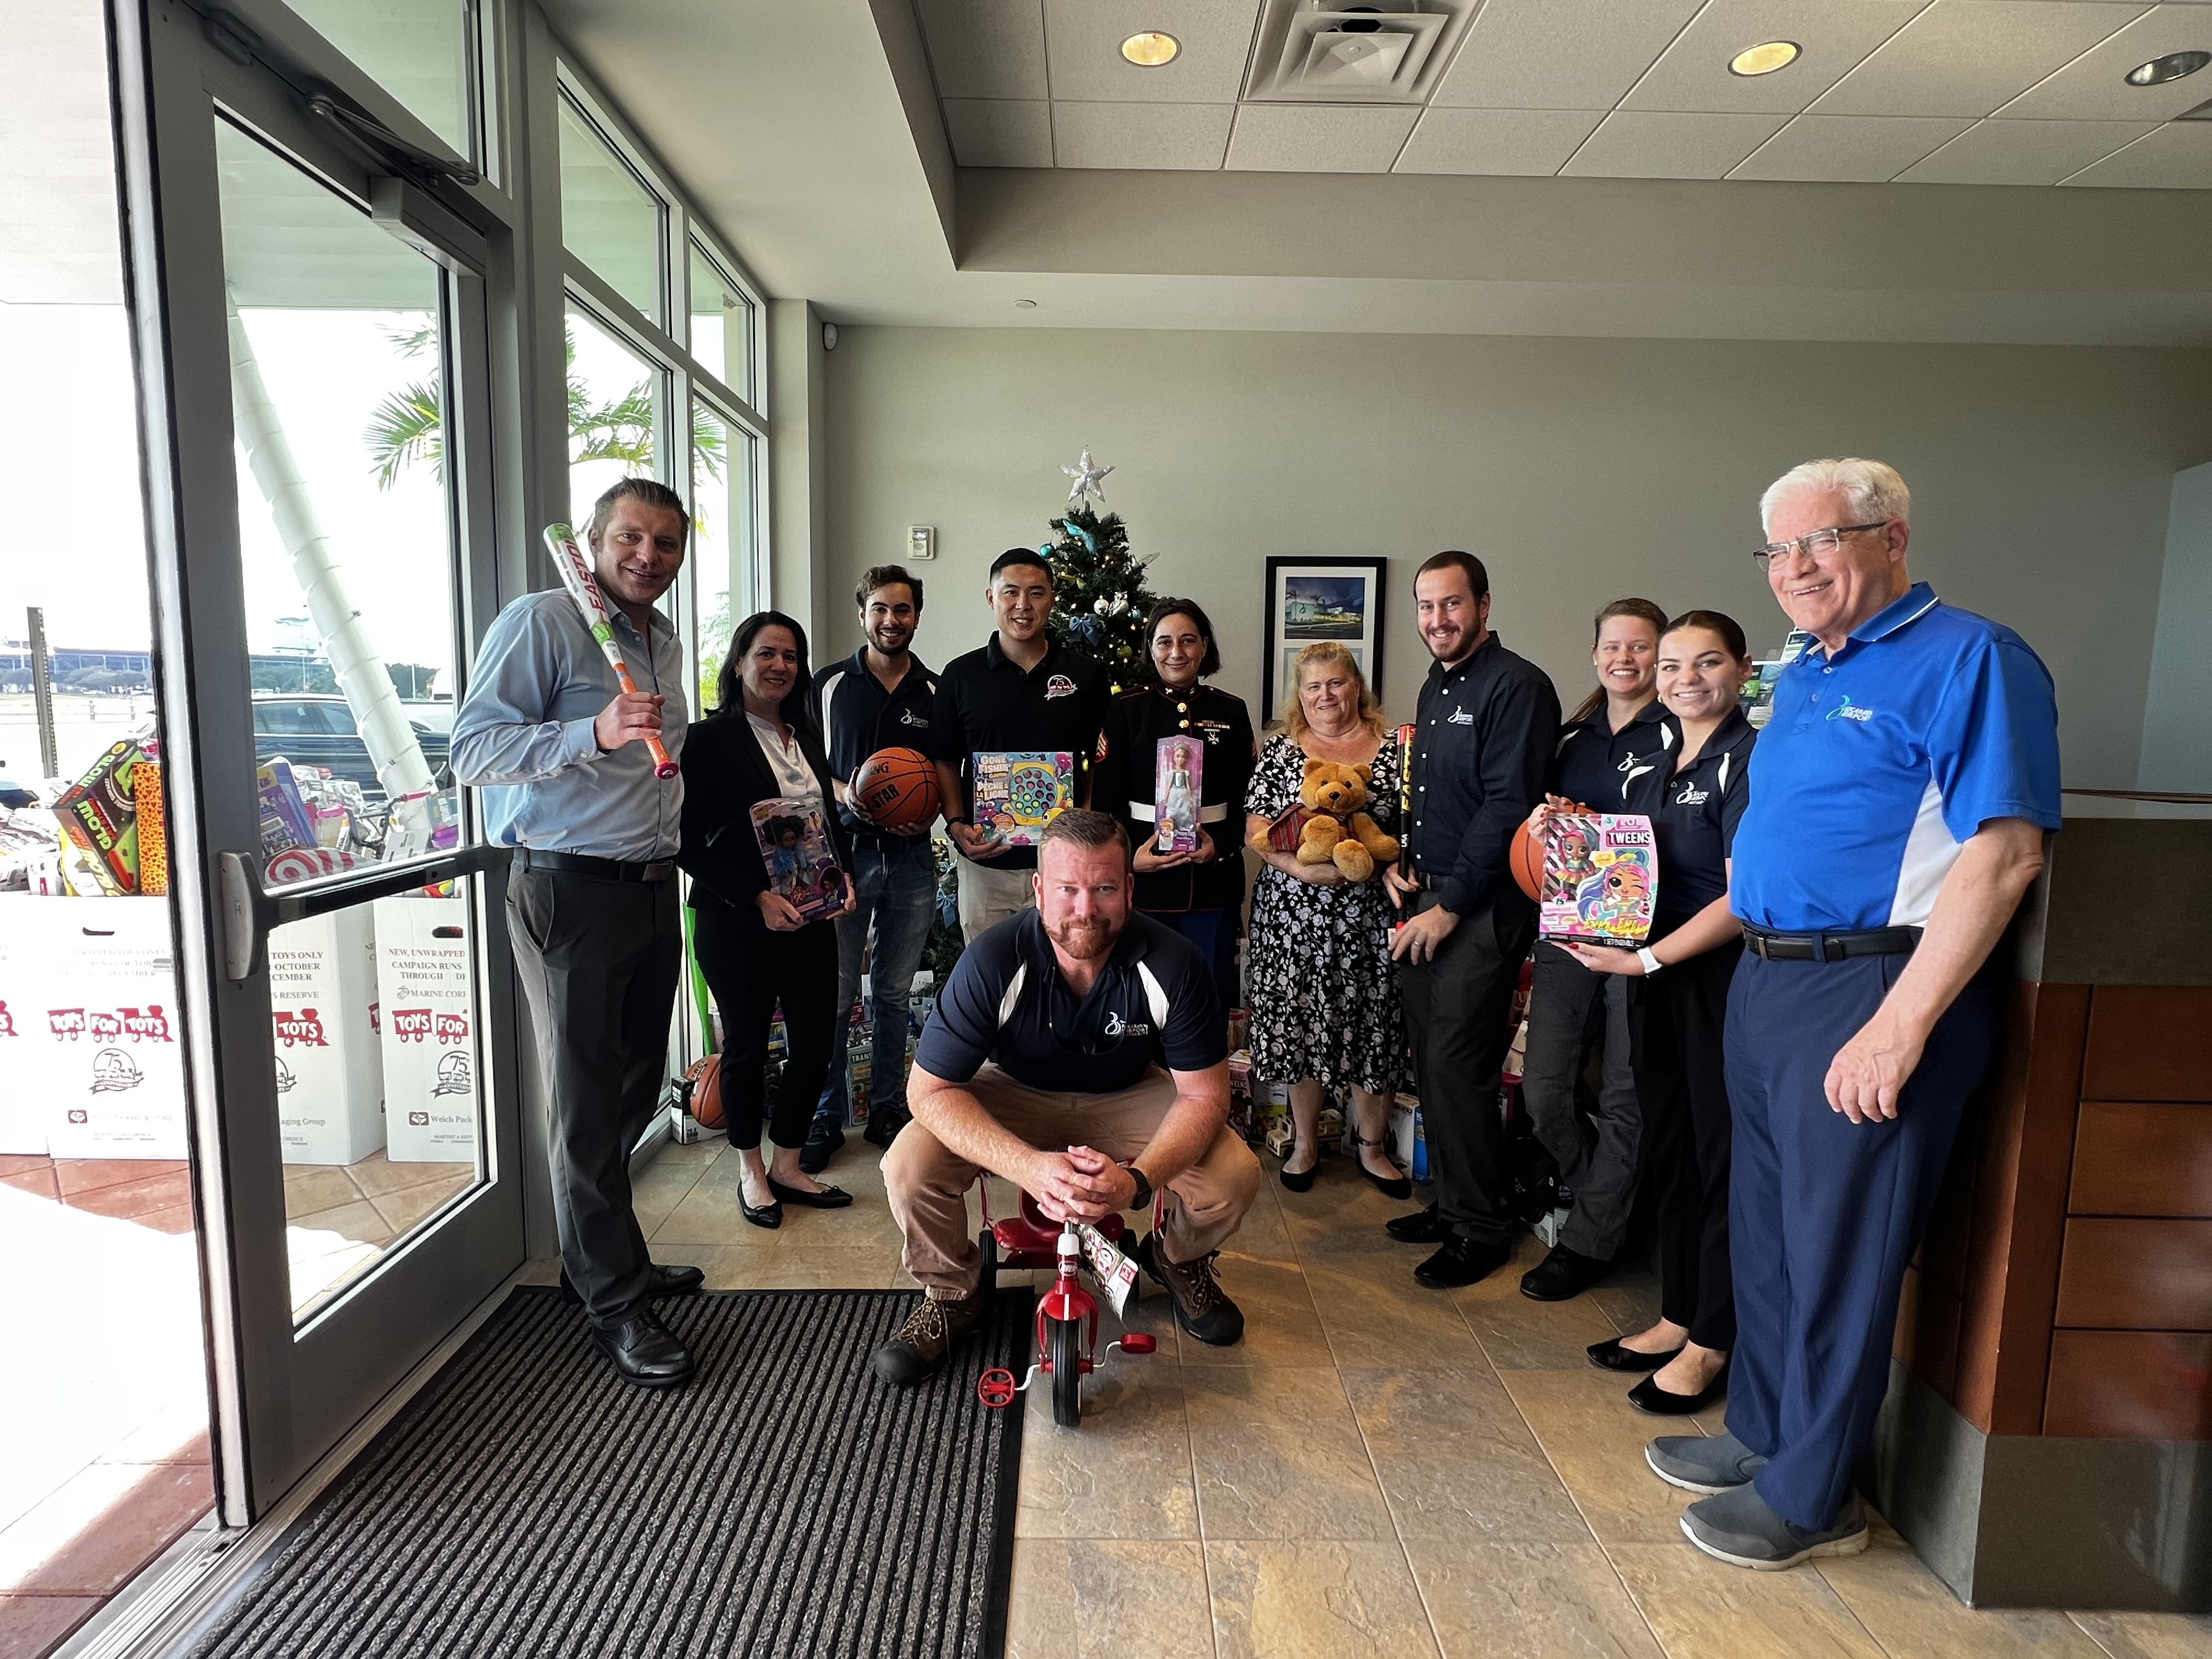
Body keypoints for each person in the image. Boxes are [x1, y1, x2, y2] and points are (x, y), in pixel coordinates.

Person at [1646, 459, 2058, 1572]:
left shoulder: (1973, 657)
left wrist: (1901, 1023)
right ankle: (1767, 1435)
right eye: (1777, 549)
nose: (1795, 567)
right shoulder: (1803, 670)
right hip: (1768, 981)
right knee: (1770, 1234)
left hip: (1872, 982)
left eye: (1820, 540)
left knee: (1840, 1249)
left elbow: (2006, 852)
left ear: (1891, 537)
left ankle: (1815, 1495)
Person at [452, 478, 704, 1389]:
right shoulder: (542, 621)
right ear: (594, 541)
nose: (647, 556)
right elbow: (472, 751)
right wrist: (591, 731)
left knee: (634, 1089)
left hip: (650, 886)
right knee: (586, 1103)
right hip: (568, 890)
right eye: (630, 537)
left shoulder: (661, 638)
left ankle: (602, 1257)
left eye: (666, 543)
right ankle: (612, 1301)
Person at [873, 810, 1261, 1384]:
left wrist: (1136, 1182)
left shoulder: (1175, 963)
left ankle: (1177, 1258)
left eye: (1104, 888)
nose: (1085, 908)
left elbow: (1204, 1098)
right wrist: (1027, 1167)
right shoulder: (992, 960)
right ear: (1038, 890)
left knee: (1234, 1174)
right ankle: (954, 1291)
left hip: (1127, 1092)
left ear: (1130, 889)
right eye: (1067, 889)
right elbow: (928, 1091)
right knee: (909, 1166)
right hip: (1015, 1090)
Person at [1556, 611, 1756, 1418]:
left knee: (1720, 1156)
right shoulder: (1658, 756)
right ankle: (1678, 1312)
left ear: (1743, 669)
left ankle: (1714, 1339)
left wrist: (1648, 959)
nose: (1685, 679)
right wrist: (1560, 832)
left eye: (1707, 663)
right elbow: (1622, 864)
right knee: (1670, 1147)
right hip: (1650, 972)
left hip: (1715, 980)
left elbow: (1744, 899)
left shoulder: (1750, 759)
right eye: (1673, 666)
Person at [1383, 551, 1560, 1288]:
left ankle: (1481, 1228)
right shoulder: (1437, 684)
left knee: (1459, 1065)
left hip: (1480, 911)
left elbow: (1506, 805)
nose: (1437, 620)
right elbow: (1435, 799)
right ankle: (1456, 1203)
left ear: (1483, 606)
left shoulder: (1518, 686)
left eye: (1451, 604)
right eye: (1426, 607)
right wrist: (1403, 864)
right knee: (1432, 1063)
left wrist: (1450, 907)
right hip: (1430, 897)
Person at [679, 612, 858, 1231]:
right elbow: (686, 841)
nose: (780, 666)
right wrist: (756, 897)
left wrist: (844, 877)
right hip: (737, 920)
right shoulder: (708, 740)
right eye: (766, 654)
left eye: (791, 656)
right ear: (739, 663)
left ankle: (787, 1163)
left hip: (810, 917)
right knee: (748, 1048)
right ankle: (750, 1171)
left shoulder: (804, 735)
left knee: (815, 1044)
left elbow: (824, 819)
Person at [1517, 599, 1672, 1303]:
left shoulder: (1679, 734)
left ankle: (1589, 1238)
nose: (1624, 659)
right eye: (1613, 646)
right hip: (1568, 931)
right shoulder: (1572, 739)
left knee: (1623, 1094)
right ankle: (1605, 1202)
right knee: (1545, 1089)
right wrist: (1542, 824)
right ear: (1595, 654)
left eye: (1640, 647)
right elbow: (1550, 824)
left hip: (1647, 939)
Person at [1242, 642, 1408, 1197]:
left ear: (1356, 686)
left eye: (1336, 683)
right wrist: (1303, 871)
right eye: (1313, 686)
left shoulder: (1395, 750)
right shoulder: (1282, 750)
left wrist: (1390, 864)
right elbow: (1256, 831)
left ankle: (1373, 1147)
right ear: (1300, 694)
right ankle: (1306, 1142)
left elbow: (1412, 829)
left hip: (1372, 917)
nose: (1325, 695)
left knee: (1374, 1024)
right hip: (1292, 916)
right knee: (1302, 1023)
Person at [797, 565, 940, 1173]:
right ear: (862, 613)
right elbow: (803, 763)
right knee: (833, 994)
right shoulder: (828, 685)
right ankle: (827, 1113)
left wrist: (925, 810)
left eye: (903, 609)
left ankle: (886, 1106)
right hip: (842, 857)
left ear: (917, 617)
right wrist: (848, 793)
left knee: (892, 992)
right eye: (880, 608)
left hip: (911, 859)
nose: (891, 620)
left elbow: (943, 772)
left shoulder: (935, 691)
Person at [928, 549, 1110, 942]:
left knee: (1066, 967)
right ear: (991, 598)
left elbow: (1096, 759)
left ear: (1052, 599)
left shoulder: (1087, 675)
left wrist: (1086, 820)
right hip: (986, 864)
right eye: (1011, 592)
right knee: (991, 971)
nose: (1023, 605)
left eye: (1036, 593)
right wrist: (956, 825)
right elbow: (945, 759)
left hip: (1063, 862)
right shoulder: (960, 676)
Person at [1093, 599, 1256, 1020]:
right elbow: (1108, 800)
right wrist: (1129, 859)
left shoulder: (1231, 710)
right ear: (1150, 648)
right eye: (1165, 642)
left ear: (1204, 646)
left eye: (1188, 641)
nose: (1177, 652)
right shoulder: (1125, 709)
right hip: (1145, 881)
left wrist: (1220, 846)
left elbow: (1250, 798)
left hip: (1213, 880)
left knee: (1209, 997)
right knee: (1141, 1001)